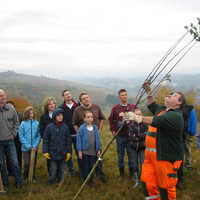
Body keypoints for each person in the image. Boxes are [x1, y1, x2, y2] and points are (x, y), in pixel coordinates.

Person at [141, 84, 185, 200]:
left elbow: (155, 120)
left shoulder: (176, 116)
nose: (170, 95)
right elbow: (151, 104)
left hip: (166, 158)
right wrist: (148, 91)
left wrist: (136, 118)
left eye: (174, 95)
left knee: (166, 188)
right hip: (151, 157)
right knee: (148, 183)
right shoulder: (162, 110)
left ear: (178, 103)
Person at [73, 92, 106, 182]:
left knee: (98, 157)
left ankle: (100, 174)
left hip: (95, 136)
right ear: (80, 101)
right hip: (84, 140)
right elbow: (75, 123)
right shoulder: (77, 110)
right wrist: (80, 134)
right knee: (85, 160)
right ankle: (86, 177)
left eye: (87, 97)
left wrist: (99, 130)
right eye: (83, 98)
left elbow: (102, 118)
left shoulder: (96, 107)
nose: (86, 99)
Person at [108, 89, 137, 180]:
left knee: (131, 156)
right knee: (120, 156)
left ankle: (132, 174)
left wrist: (136, 131)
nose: (124, 96)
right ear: (119, 97)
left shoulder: (133, 107)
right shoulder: (115, 108)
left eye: (125, 95)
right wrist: (113, 130)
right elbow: (111, 120)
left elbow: (138, 118)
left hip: (130, 136)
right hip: (120, 136)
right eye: (122, 95)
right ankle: (121, 174)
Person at [0, 89, 23, 190]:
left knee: (14, 161)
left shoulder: (11, 108)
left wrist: (14, 134)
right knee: (1, 163)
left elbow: (16, 123)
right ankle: (5, 183)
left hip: (10, 141)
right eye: (0, 96)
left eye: (4, 96)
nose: (3, 98)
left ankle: (19, 182)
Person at [43, 108, 72, 185]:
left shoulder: (65, 127)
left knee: (62, 170)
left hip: (63, 153)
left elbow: (68, 141)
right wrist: (45, 151)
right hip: (53, 153)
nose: (60, 117)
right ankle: (51, 182)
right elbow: (45, 140)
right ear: (54, 117)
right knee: (53, 170)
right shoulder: (49, 127)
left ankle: (60, 183)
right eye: (58, 115)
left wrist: (69, 152)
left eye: (61, 115)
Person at [76, 111, 101, 186]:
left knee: (91, 167)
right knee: (85, 167)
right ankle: (85, 180)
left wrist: (98, 149)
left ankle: (91, 180)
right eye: (88, 117)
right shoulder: (82, 128)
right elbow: (79, 140)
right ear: (84, 119)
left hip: (93, 152)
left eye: (91, 117)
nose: (90, 119)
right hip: (85, 152)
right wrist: (80, 151)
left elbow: (97, 139)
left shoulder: (95, 128)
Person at [59, 90, 79, 177]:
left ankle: (82, 170)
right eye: (65, 95)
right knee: (68, 155)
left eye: (69, 94)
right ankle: (71, 172)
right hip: (66, 136)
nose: (68, 95)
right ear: (63, 97)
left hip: (78, 134)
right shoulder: (61, 108)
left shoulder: (78, 106)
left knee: (79, 153)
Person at [19, 106, 41, 182]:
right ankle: (25, 176)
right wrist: (28, 146)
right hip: (26, 148)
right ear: (26, 114)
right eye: (29, 113)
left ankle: (33, 177)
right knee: (27, 163)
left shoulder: (37, 123)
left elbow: (39, 135)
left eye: (32, 113)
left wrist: (35, 145)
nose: (31, 115)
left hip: (34, 148)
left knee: (33, 163)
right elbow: (21, 136)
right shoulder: (23, 123)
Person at [128, 109, 148, 185]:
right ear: (134, 116)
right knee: (135, 164)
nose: (138, 116)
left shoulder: (145, 125)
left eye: (139, 114)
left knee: (142, 163)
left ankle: (142, 178)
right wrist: (140, 137)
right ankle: (136, 179)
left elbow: (146, 134)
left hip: (142, 147)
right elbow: (130, 136)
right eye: (136, 115)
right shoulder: (132, 125)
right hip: (133, 147)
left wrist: (137, 136)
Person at [39, 97, 56, 173]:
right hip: (48, 142)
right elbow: (41, 130)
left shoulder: (59, 115)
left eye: (53, 103)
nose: (52, 105)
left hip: (59, 141)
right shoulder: (43, 117)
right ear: (47, 106)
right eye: (50, 104)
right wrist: (45, 138)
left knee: (58, 158)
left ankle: (58, 176)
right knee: (49, 159)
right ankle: (51, 175)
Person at [6, 100, 23, 174]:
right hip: (7, 138)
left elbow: (22, 127)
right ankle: (10, 171)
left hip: (18, 139)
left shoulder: (19, 115)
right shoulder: (4, 114)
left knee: (18, 155)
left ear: (14, 107)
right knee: (8, 156)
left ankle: (18, 170)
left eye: (11, 106)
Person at [182, 104, 197, 169]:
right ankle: (187, 164)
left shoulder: (189, 109)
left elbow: (193, 121)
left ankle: (187, 163)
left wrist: (192, 132)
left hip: (185, 131)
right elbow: (194, 121)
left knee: (186, 147)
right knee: (186, 147)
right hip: (185, 131)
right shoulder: (189, 109)